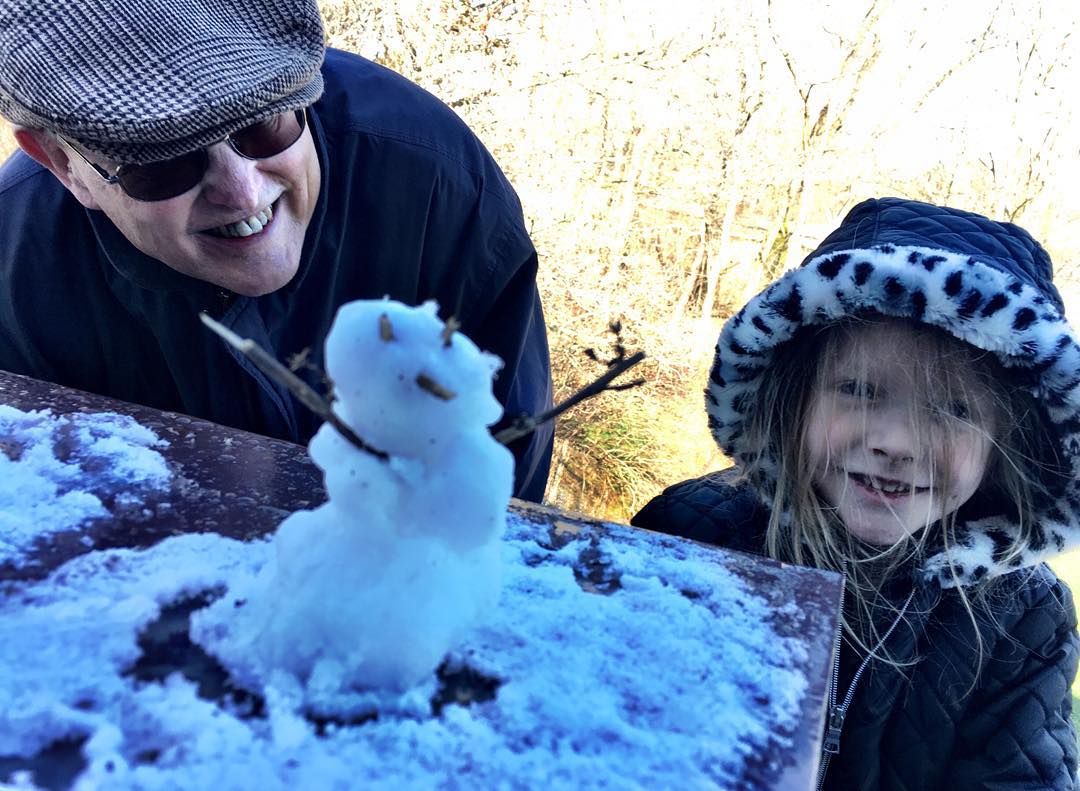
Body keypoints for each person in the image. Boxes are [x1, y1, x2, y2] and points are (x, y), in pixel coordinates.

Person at [0, 0, 553, 501]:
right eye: (163, 161)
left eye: (264, 125)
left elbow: (504, 461)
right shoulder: (17, 266)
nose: (242, 192)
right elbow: (38, 502)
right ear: (63, 164)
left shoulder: (433, 181)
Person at [633, 197, 1080, 788]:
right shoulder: (693, 530)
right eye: (860, 390)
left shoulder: (1021, 619)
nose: (896, 441)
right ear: (796, 400)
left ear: (1005, 446)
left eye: (952, 409)